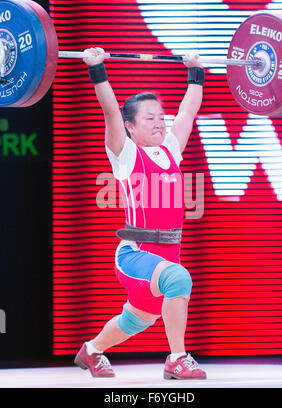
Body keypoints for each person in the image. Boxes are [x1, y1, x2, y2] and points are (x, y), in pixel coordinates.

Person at [74, 47, 207, 380]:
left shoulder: (171, 148)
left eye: (161, 117)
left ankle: (91, 351)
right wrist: (97, 69)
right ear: (130, 126)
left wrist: (195, 72)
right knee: (179, 279)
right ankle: (177, 359)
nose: (160, 123)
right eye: (151, 118)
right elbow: (110, 113)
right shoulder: (126, 155)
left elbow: (188, 111)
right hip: (135, 254)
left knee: (138, 319)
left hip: (166, 253)